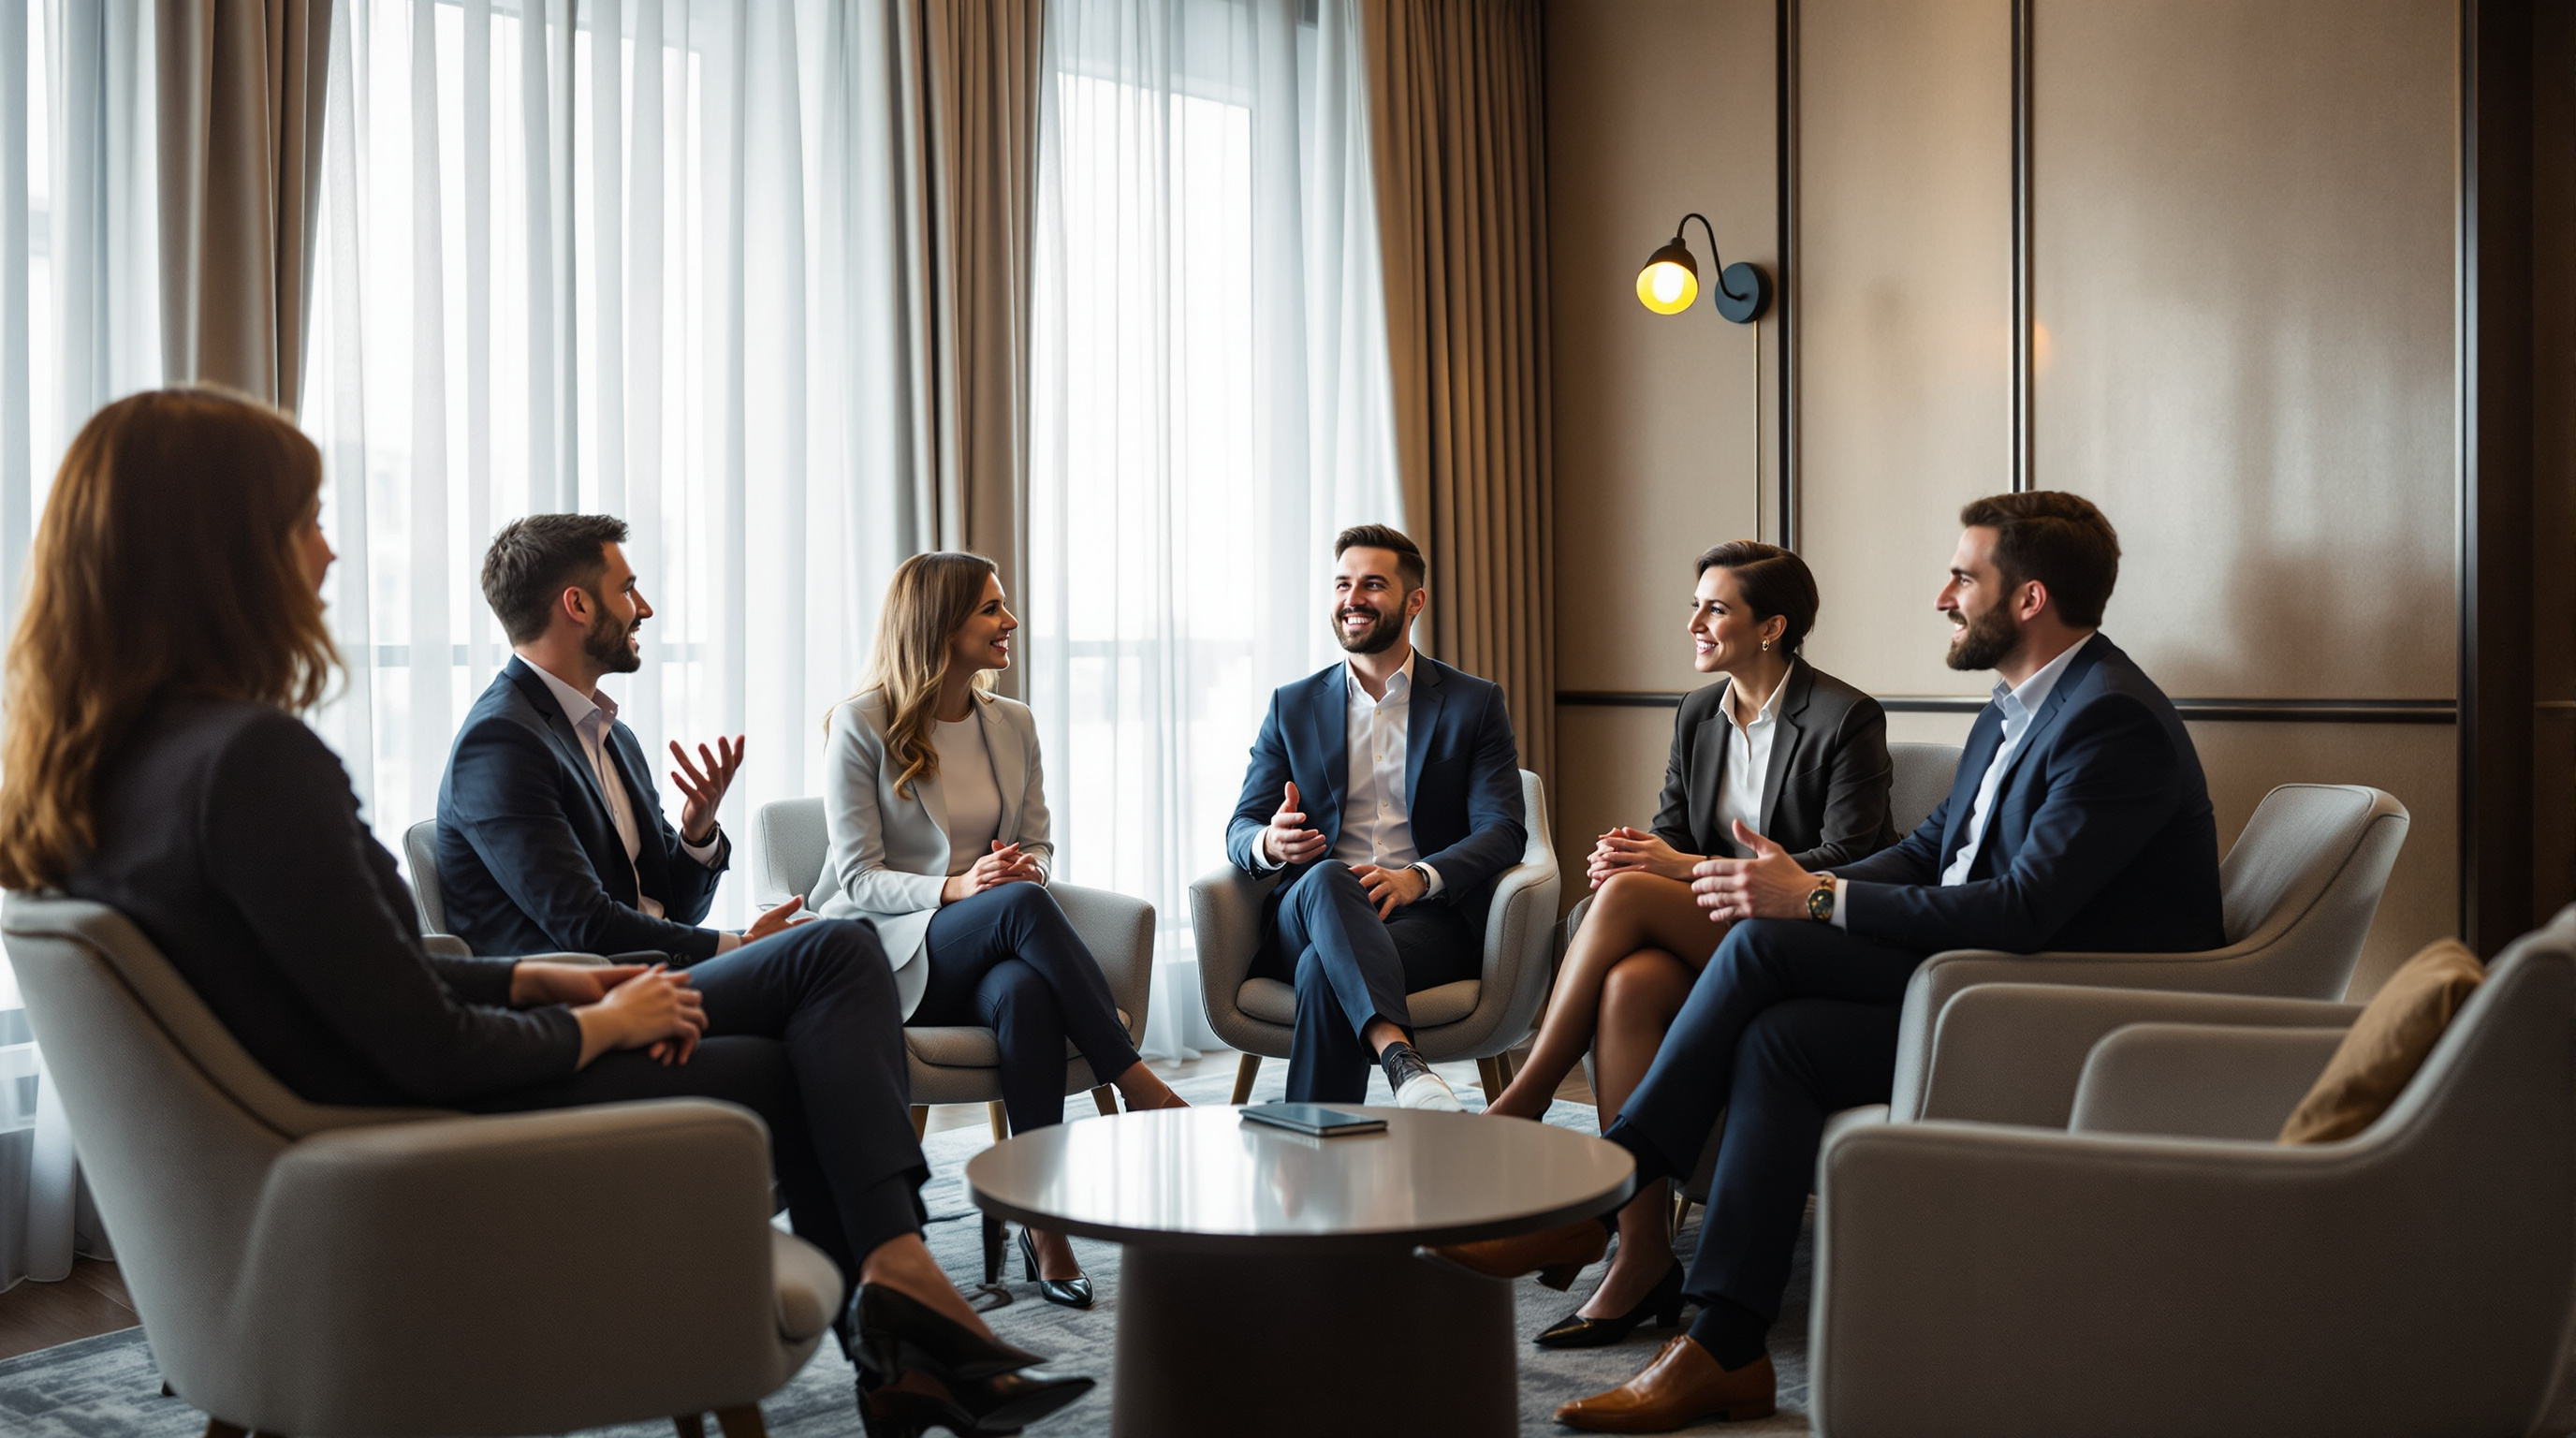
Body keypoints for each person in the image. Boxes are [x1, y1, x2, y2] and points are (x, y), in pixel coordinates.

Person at [0, 389, 1090, 1438]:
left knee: (819, 991)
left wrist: (530, 977)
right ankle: (903, 1314)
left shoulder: (106, 773)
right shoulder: (255, 762)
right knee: (828, 976)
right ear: (220, 549)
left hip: (337, 1139)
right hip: (419, 1143)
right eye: (307, 521)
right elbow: (422, 1036)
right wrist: (597, 1022)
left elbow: (349, 976)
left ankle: (904, 1323)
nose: (328, 552)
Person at [1441, 492, 2224, 1431]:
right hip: (1966, 980)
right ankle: (1727, 1346)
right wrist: (1787, 882)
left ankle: (1604, 1189)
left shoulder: (2110, 720)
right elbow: (1928, 852)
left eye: (1963, 577)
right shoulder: (2016, 708)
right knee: (1779, 1040)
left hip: (2044, 1008)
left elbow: (2024, 911)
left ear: (2029, 599)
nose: (1942, 596)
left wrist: (1813, 898)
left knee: (1765, 943)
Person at [1482, 541, 1897, 1350]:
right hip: (1716, 927)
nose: (1694, 622)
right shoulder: (1698, 713)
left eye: (1716, 608)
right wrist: (1635, 853)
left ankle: (1525, 1101)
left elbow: (1850, 858)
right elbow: (1671, 832)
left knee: (1628, 899)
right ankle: (1642, 1255)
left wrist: (1678, 869)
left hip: (1805, 934)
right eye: (1696, 604)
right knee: (1630, 983)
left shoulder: (1846, 717)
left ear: (1772, 627)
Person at [818, 550, 1188, 1309]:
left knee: (1026, 992)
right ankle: (1137, 1081)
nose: (1010, 620)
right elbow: (857, 878)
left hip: (997, 949)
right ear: (940, 624)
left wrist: (1028, 870)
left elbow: (1040, 844)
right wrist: (960, 887)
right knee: (1018, 910)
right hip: (901, 951)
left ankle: (1040, 1222)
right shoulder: (861, 723)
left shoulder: (1012, 723)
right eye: (991, 608)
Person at [1224, 523, 1528, 1109]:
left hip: (1424, 919)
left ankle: (1318, 1147)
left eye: (1372, 585)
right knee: (1329, 877)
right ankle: (1401, 1060)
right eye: (1342, 584)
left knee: (1322, 973)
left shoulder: (1473, 702)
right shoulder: (1293, 705)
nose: (1352, 598)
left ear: (1415, 601)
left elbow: (1503, 830)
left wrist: (1418, 878)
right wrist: (1271, 843)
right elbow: (1241, 828)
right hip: (1308, 910)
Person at [434, 513, 803, 962]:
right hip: (591, 992)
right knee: (831, 950)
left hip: (657, 972)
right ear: (578, 605)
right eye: (627, 590)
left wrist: (696, 835)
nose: (644, 609)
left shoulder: (612, 736)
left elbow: (677, 912)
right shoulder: (499, 743)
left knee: (828, 941)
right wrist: (740, 948)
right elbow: (585, 926)